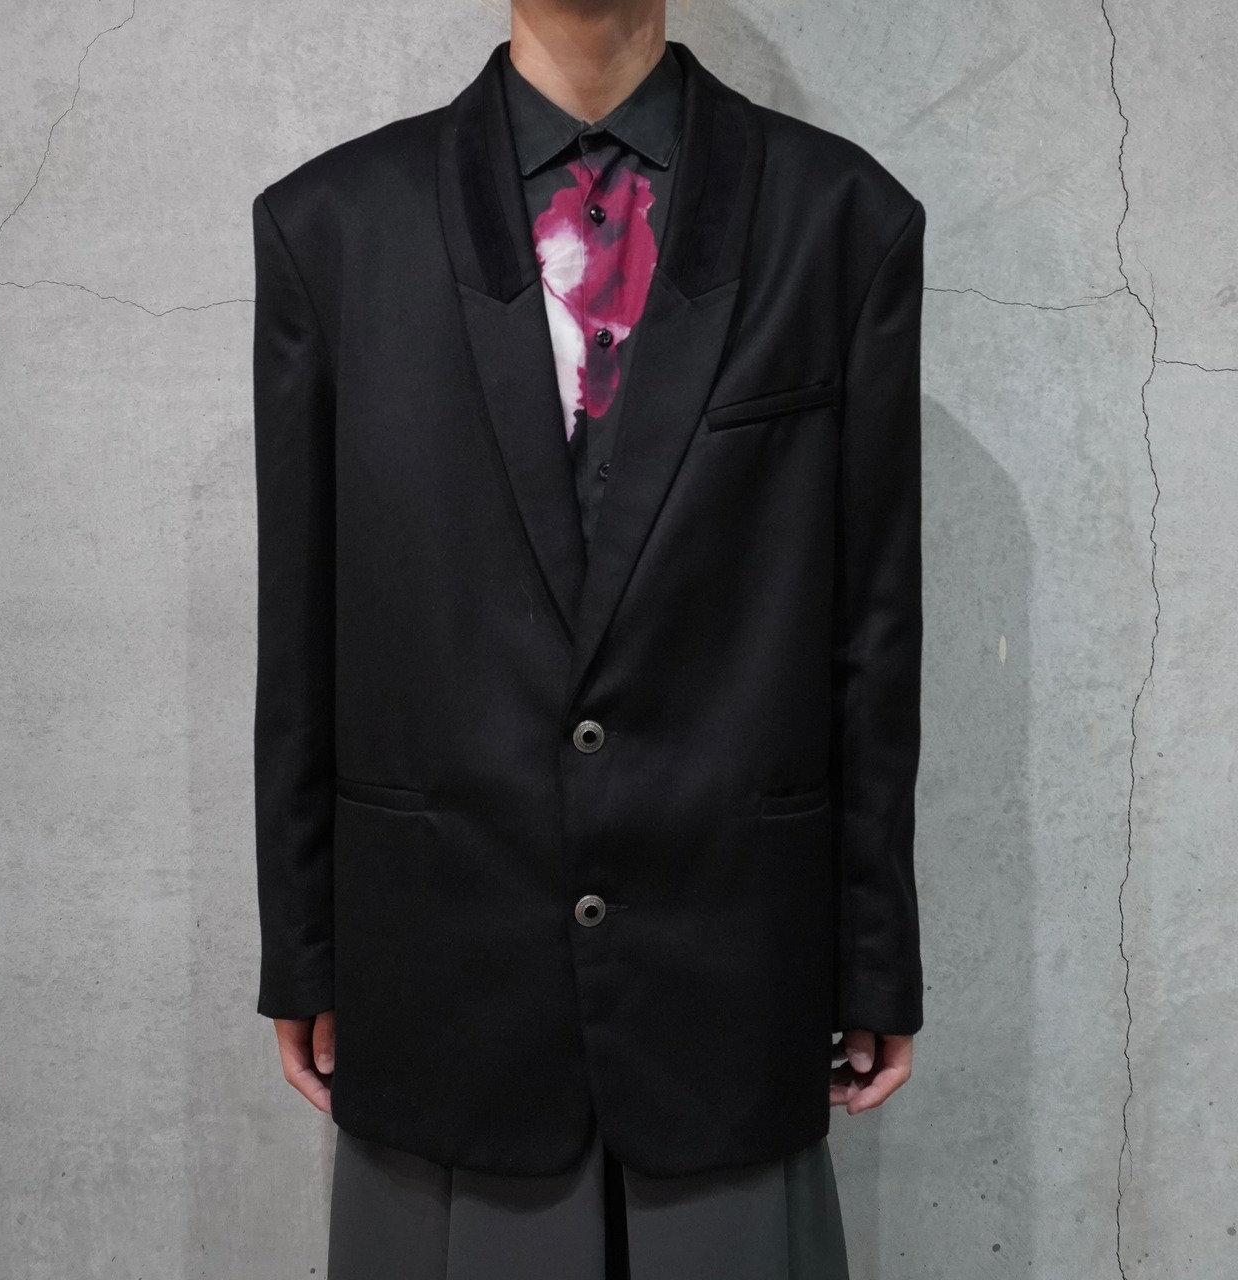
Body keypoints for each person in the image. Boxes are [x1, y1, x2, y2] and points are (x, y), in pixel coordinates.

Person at [250, 1, 926, 1275]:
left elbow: (872, 624)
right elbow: (300, 622)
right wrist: (303, 939)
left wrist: (874, 952)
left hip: (729, 953)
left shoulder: (840, 219)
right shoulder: (331, 227)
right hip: (442, 948)